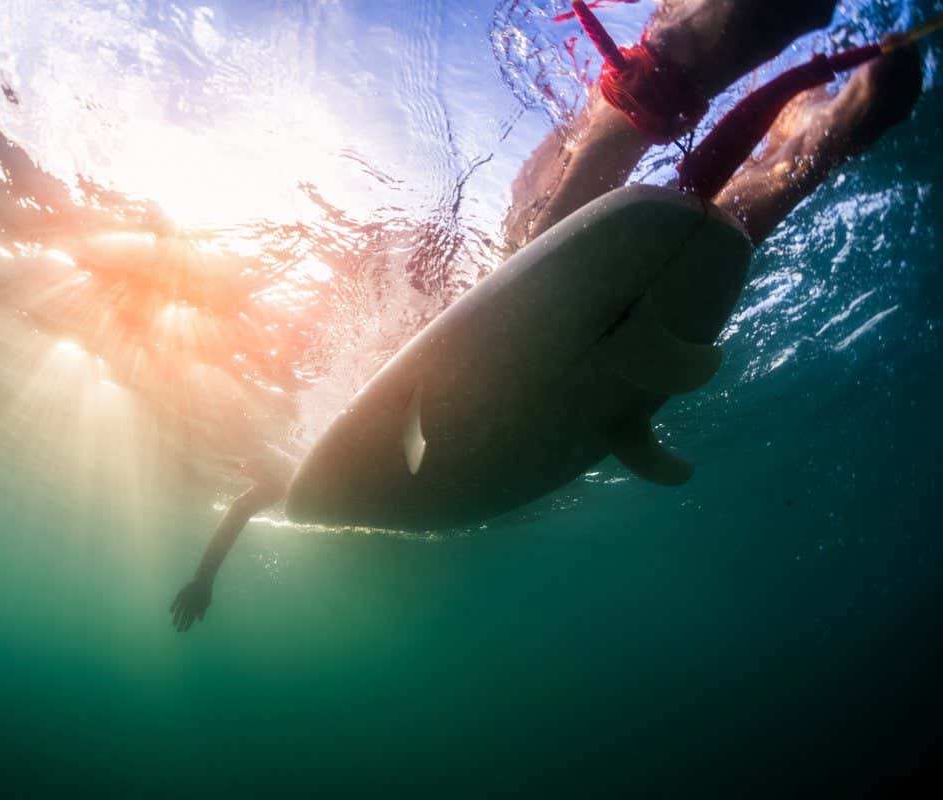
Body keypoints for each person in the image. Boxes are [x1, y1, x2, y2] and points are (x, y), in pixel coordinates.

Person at [171, 0, 923, 631]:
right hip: (513, 358)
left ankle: (796, 138)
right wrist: (207, 574)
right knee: (573, 245)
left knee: (544, 247)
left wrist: (206, 579)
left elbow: (249, 500)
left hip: (474, 354)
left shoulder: (329, 456)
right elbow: (249, 501)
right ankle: (722, 96)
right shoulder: (340, 466)